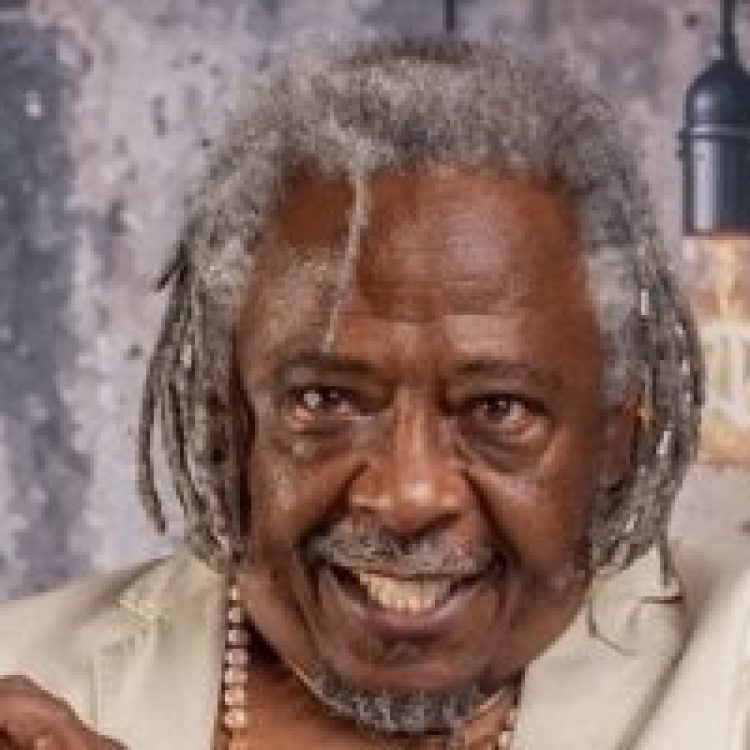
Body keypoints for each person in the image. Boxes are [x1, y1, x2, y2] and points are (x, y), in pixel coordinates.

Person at [0, 37, 747, 750]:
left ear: (617, 440)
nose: (409, 496)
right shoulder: (24, 662)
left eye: (499, 409)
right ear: (224, 424)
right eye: (325, 401)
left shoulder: (732, 669)